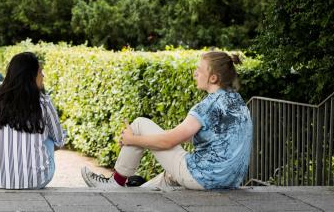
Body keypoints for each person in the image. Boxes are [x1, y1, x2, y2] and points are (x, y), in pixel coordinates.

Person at [81, 51, 253, 190]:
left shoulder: (207, 107)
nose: (195, 74)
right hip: (229, 181)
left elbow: (167, 142)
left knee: (140, 124)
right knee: (169, 177)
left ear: (213, 78)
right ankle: (132, 192)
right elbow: (202, 136)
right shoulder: (237, 102)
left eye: (199, 70)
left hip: (205, 178)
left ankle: (116, 183)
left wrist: (131, 140)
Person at [0, 52, 65, 189]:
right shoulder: (43, 102)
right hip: (37, 180)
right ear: (30, 76)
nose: (43, 75)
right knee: (50, 140)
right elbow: (60, 140)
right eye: (40, 71)